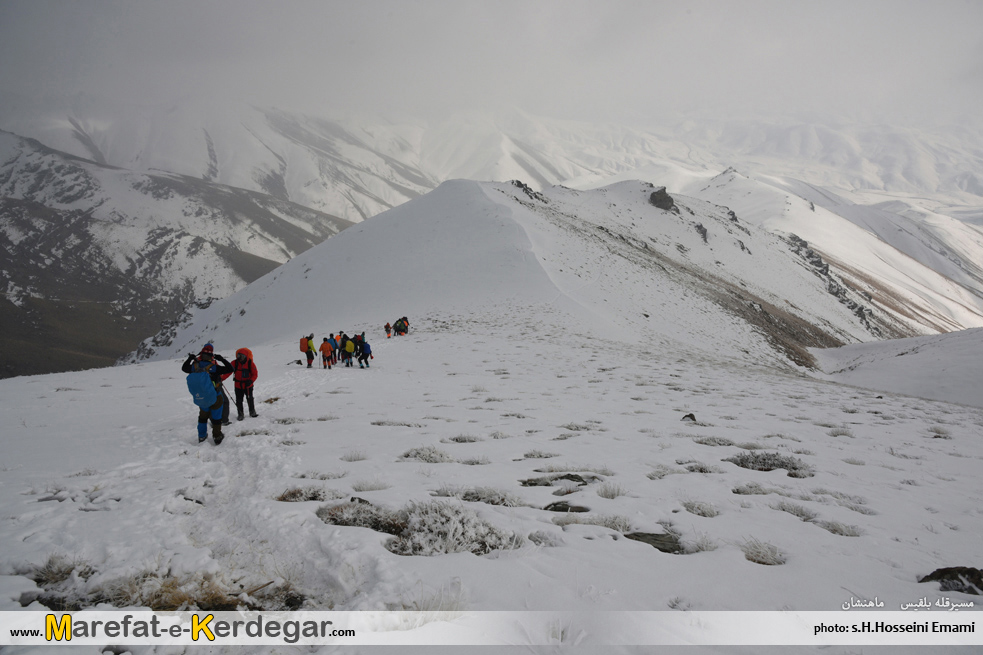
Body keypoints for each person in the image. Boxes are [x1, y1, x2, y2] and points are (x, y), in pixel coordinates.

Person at [182, 344, 233, 444]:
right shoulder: (213, 368)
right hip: (215, 396)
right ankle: (217, 436)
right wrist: (222, 359)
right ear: (211, 357)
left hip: (201, 397)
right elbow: (230, 369)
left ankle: (202, 436)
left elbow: (184, 368)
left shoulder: (194, 367)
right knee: (217, 417)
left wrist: (189, 359)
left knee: (202, 417)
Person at [227, 347, 259, 420]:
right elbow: (228, 371)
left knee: (250, 399)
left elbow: (255, 374)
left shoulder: (250, 363)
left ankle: (252, 412)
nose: (240, 358)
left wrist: (251, 381)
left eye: (242, 356)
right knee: (239, 400)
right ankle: (240, 414)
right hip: (238, 385)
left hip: (248, 385)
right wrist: (221, 378)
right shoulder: (234, 363)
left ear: (246, 356)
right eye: (239, 356)